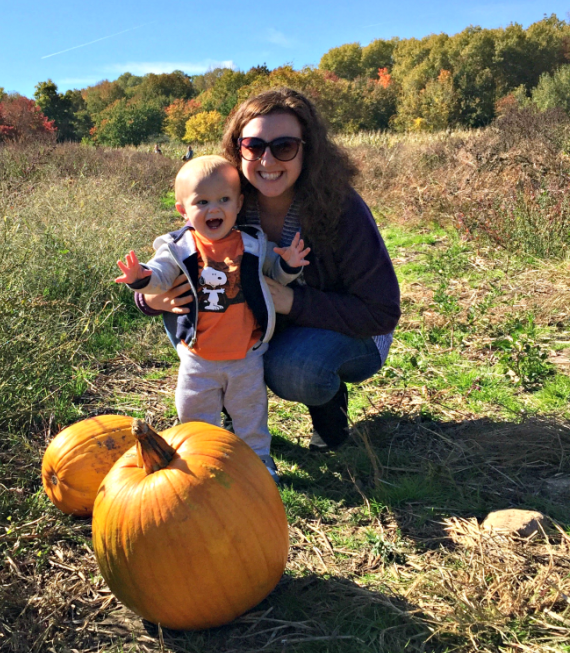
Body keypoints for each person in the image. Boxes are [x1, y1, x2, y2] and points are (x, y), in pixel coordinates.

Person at [136, 88, 400, 451]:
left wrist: (289, 300)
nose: (268, 160)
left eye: (285, 147)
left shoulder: (342, 209)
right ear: (238, 149)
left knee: (296, 368)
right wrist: (153, 300)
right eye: (254, 146)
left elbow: (381, 312)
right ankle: (227, 407)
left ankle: (329, 408)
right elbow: (174, 258)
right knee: (190, 307)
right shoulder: (229, 200)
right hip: (274, 322)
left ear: (308, 149)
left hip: (355, 332)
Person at [116, 155, 310, 480]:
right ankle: (202, 465)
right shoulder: (178, 247)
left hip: (246, 356)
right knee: (195, 418)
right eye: (202, 201)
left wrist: (288, 265)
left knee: (251, 417)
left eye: (223, 199)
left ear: (238, 204)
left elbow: (273, 273)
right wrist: (141, 277)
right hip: (198, 360)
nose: (213, 208)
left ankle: (258, 462)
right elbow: (160, 275)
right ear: (183, 210)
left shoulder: (254, 243)